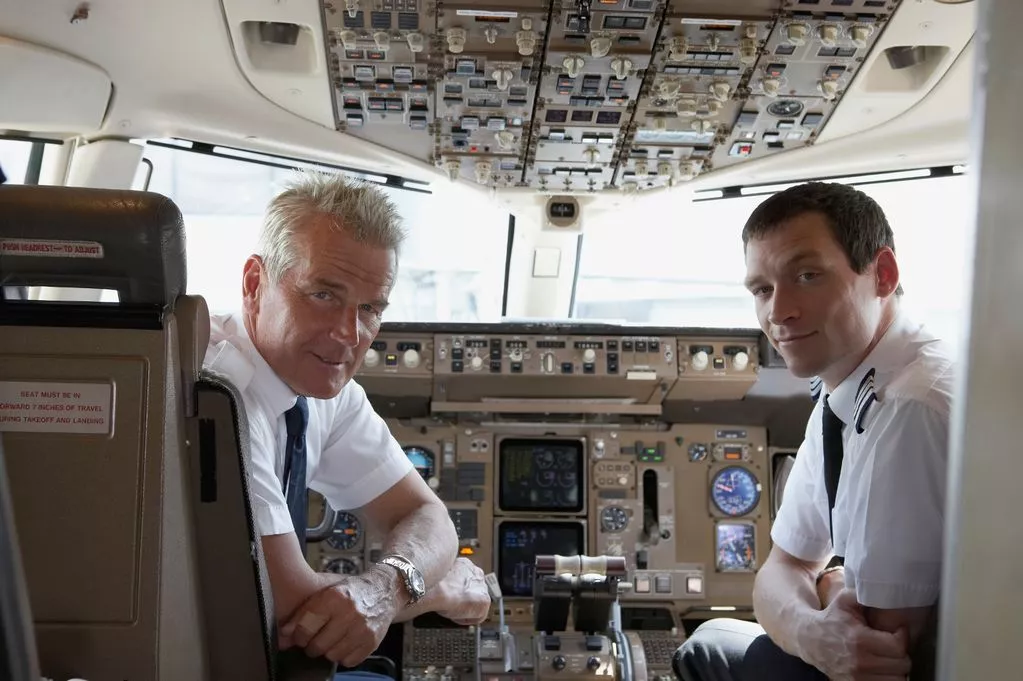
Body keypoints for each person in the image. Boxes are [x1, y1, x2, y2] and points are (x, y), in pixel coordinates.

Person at [203, 170, 491, 668]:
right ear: (255, 284)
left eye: (370, 308)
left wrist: (390, 584)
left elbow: (428, 517)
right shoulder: (218, 394)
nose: (348, 334)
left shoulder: (324, 389)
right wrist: (441, 589)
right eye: (323, 295)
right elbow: (287, 601)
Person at [674, 182, 953, 681]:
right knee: (713, 640)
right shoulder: (844, 389)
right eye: (762, 289)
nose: (778, 312)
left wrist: (823, 590)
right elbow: (780, 570)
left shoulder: (909, 405)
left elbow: (879, 645)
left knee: (705, 651)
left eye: (807, 276)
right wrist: (812, 621)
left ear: (882, 275)